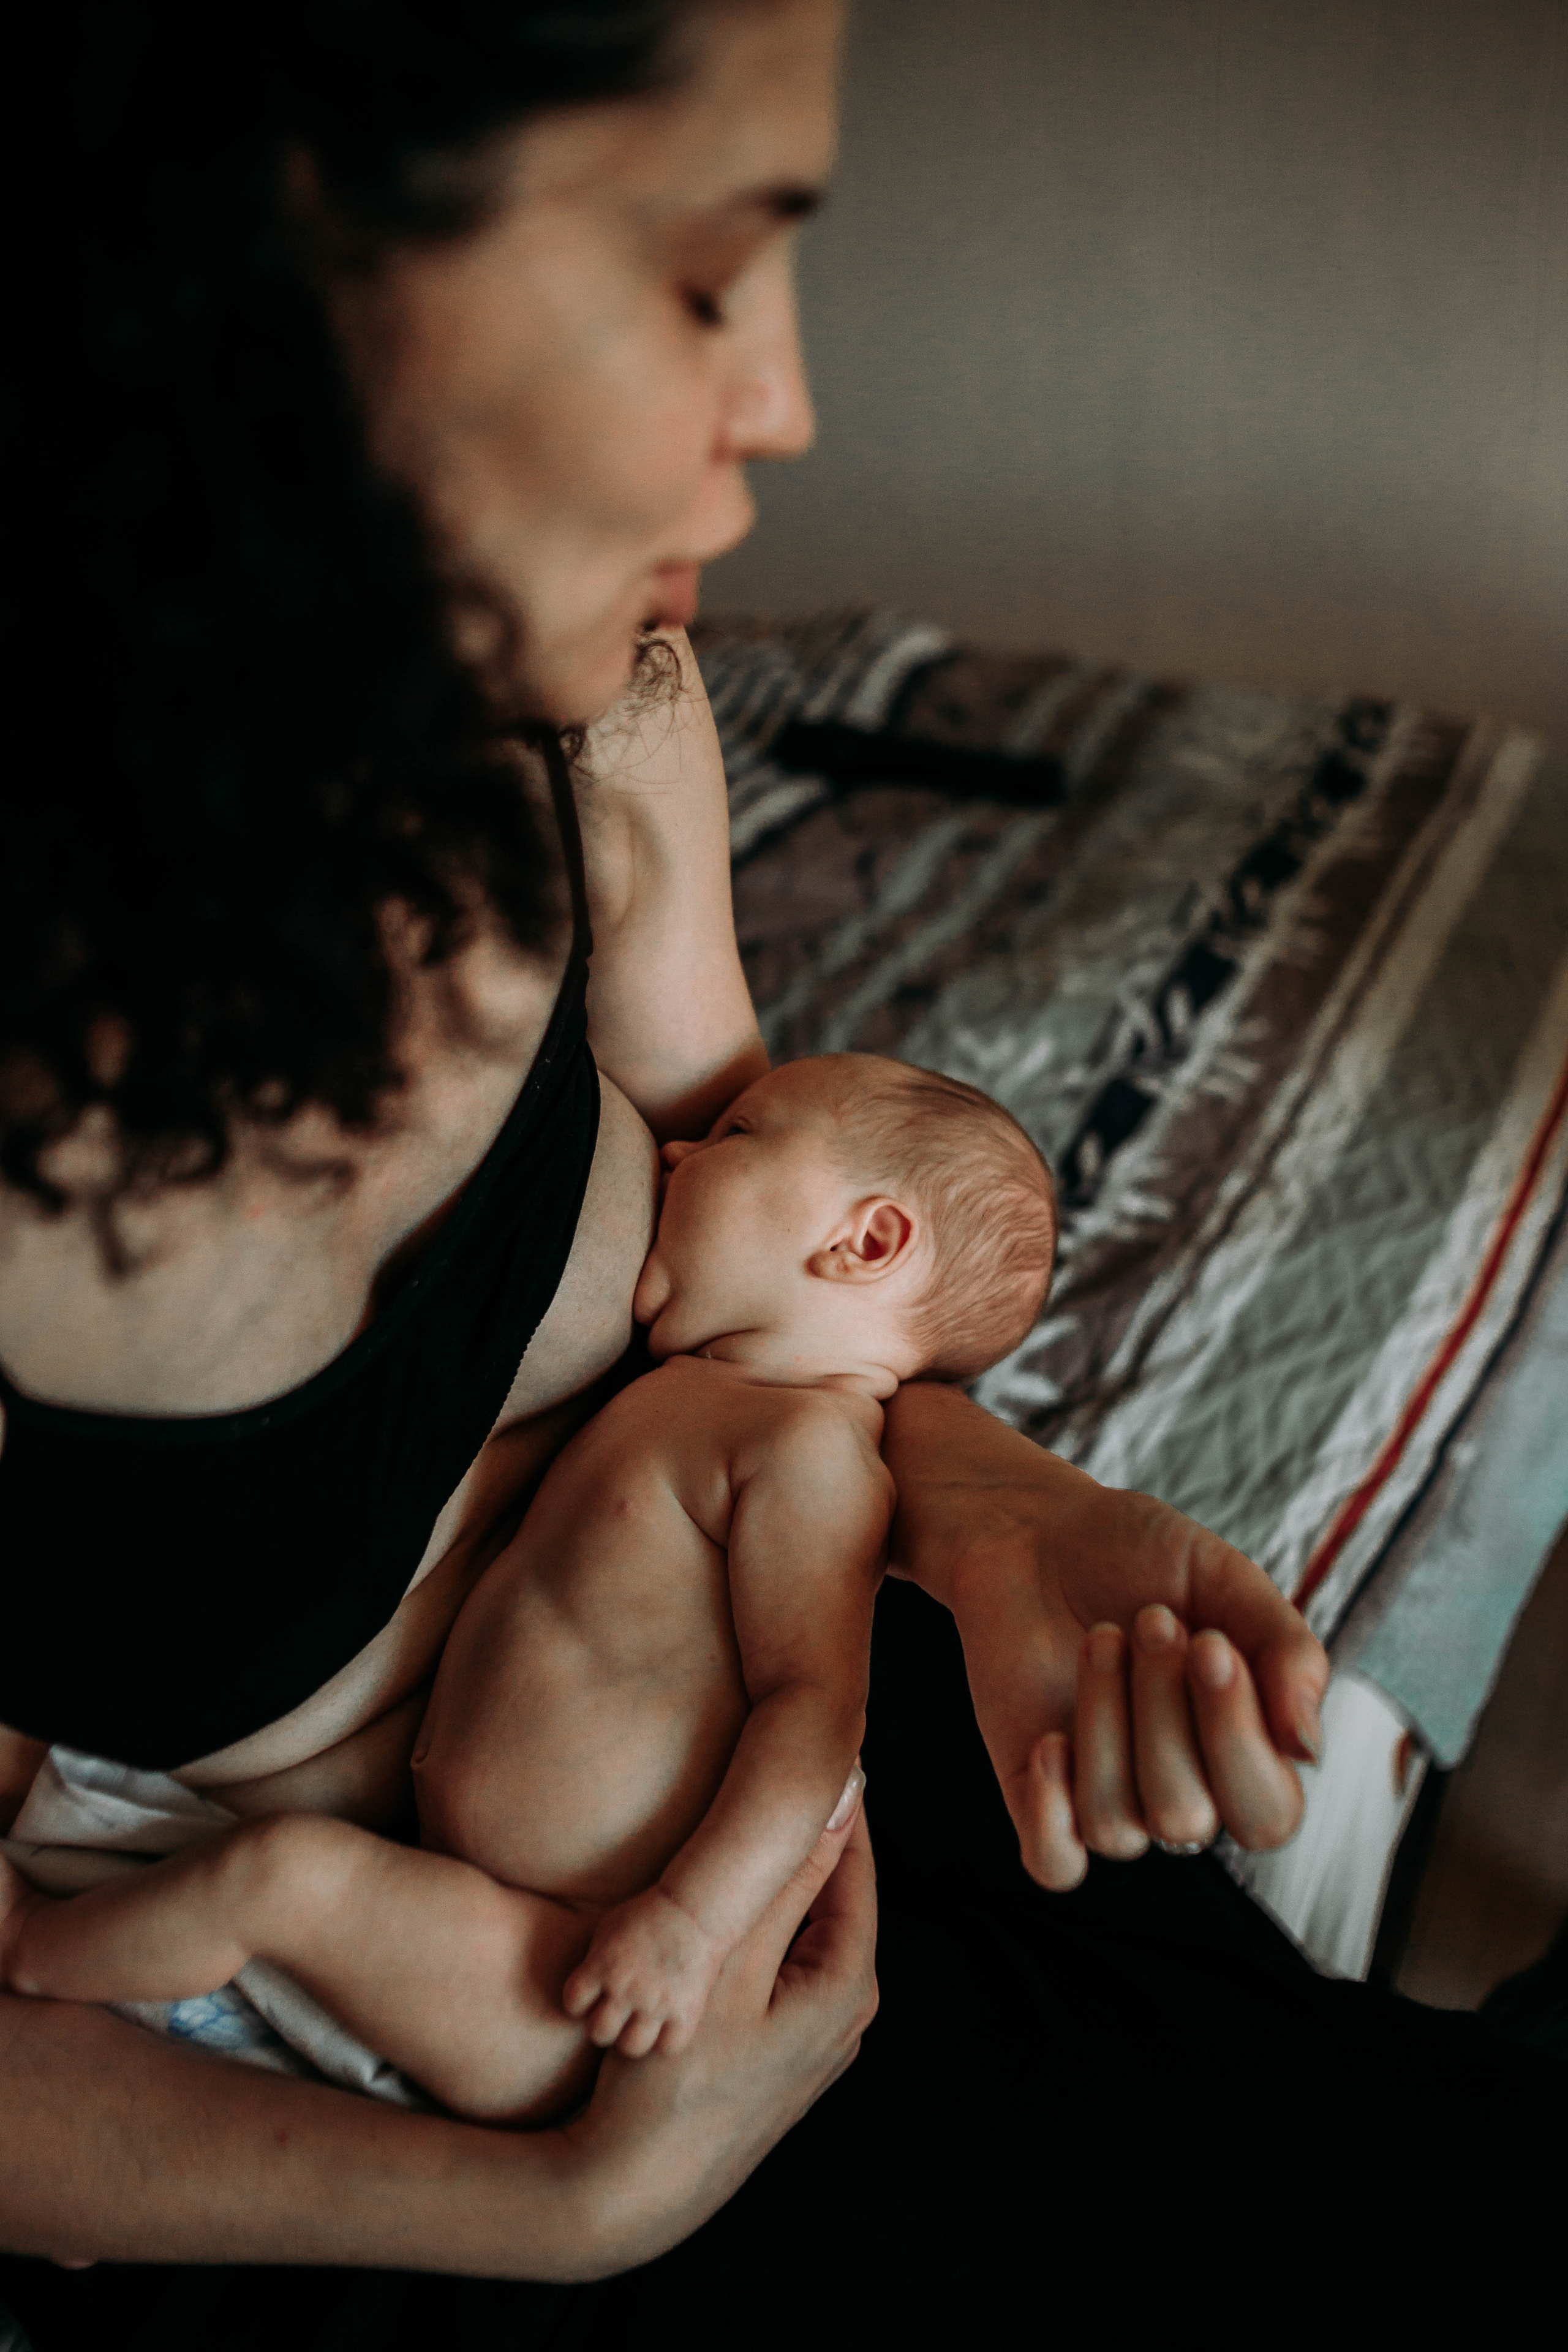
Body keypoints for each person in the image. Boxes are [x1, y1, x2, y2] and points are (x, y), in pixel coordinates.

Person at [1, 6, 1555, 2346]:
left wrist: (990, 1500)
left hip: (783, 1726)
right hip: (459, 2050)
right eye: (711, 275)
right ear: (269, 278)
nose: (789, 412)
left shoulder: (588, 711)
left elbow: (781, 1214)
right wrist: (579, 2212)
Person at [1, 1054, 1055, 2113]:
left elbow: (814, 1716)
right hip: (450, 1888)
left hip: (563, 1971)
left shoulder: (812, 1458)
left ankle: (29, 1953)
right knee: (256, 1876)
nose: (681, 1151)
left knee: (283, 1878)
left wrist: (690, 1925)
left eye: (737, 1137)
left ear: (865, 1241)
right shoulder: (701, 1395)